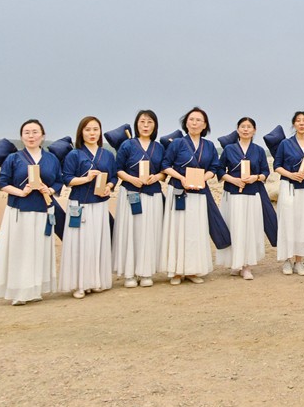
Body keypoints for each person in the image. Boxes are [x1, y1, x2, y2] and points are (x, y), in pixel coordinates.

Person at [0, 119, 63, 305]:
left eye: (35, 132)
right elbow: (3, 183)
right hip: (19, 211)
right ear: (21, 136)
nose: (31, 136)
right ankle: (19, 291)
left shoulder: (51, 159)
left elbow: (59, 182)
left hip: (43, 210)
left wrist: (49, 190)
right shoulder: (13, 158)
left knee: (38, 250)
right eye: (27, 132)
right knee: (20, 250)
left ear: (43, 136)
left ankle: (35, 289)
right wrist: (22, 192)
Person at [160, 107, 221, 285]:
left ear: (205, 125)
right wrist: (181, 178)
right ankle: (176, 271)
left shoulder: (209, 146)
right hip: (179, 190)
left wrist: (203, 178)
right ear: (186, 123)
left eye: (198, 120)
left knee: (196, 231)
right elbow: (165, 164)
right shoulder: (177, 143)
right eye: (191, 119)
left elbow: (214, 168)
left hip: (199, 192)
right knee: (177, 230)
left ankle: (193, 270)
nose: (194, 123)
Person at [60, 116, 116, 298]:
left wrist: (109, 186)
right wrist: (86, 178)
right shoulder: (74, 155)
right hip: (79, 204)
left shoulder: (107, 155)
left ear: (100, 132)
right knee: (80, 244)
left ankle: (96, 281)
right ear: (81, 133)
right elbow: (67, 179)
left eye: (95, 129)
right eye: (88, 130)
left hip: (99, 204)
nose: (92, 133)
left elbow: (113, 177)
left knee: (97, 242)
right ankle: (79, 284)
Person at [113, 110, 166, 288]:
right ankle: (129, 274)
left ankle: (146, 271)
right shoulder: (127, 145)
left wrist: (156, 177)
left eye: (149, 122)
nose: (145, 125)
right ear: (136, 124)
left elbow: (164, 171)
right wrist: (131, 179)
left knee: (149, 232)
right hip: (130, 193)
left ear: (155, 126)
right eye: (142, 122)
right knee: (130, 231)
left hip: (152, 194)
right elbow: (118, 169)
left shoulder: (159, 147)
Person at [217, 117, 270, 280]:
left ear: (254, 130)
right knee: (234, 227)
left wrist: (256, 177)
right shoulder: (229, 149)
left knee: (249, 229)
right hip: (232, 194)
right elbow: (219, 170)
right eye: (242, 126)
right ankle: (235, 263)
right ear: (237, 130)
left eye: (249, 127)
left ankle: (247, 266)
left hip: (252, 194)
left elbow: (265, 172)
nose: (246, 129)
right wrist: (233, 180)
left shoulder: (259, 150)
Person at [274, 111, 304, 276]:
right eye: (298, 121)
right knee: (288, 222)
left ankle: (299, 261)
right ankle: (287, 260)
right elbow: (277, 166)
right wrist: (291, 175)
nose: (301, 123)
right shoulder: (285, 144)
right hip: (288, 186)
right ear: (294, 124)